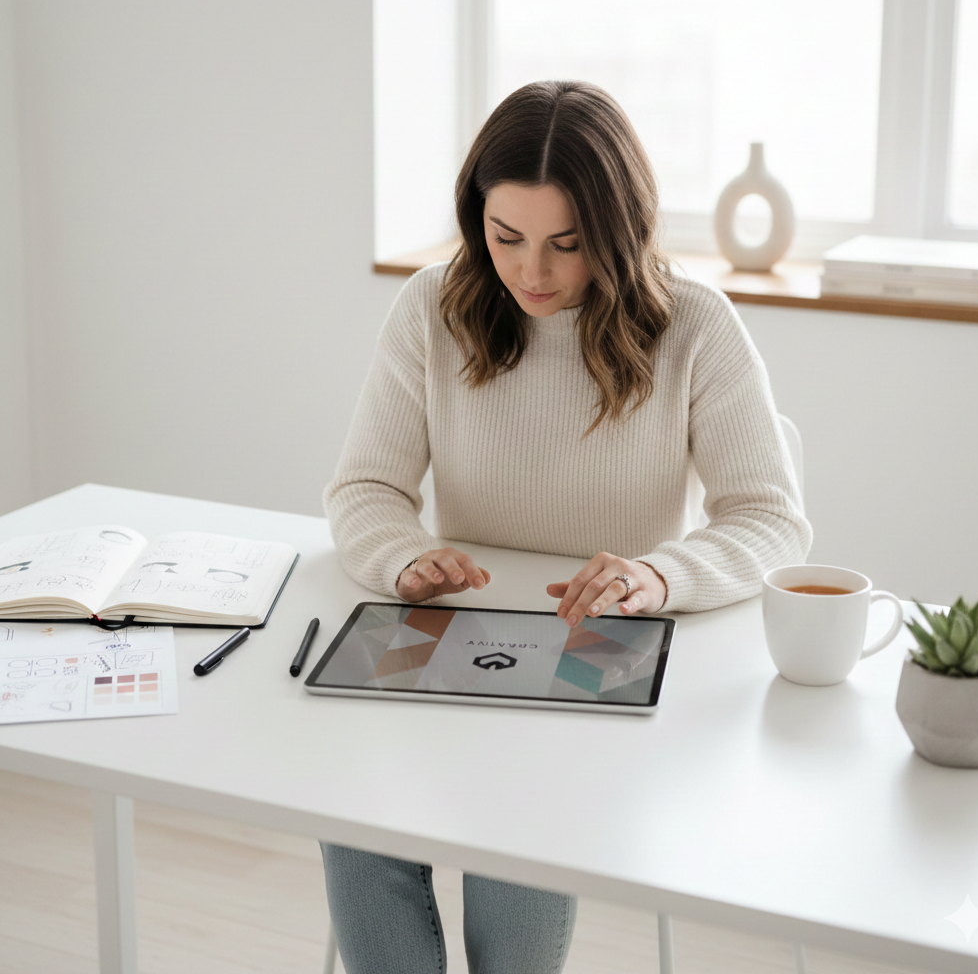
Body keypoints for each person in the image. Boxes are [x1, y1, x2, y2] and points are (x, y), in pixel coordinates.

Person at [321, 80, 811, 974]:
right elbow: (363, 489)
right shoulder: (434, 310)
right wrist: (403, 559)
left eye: (566, 244)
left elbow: (770, 519)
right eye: (505, 238)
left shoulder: (694, 326)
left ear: (617, 230)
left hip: (598, 657)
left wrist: (658, 576)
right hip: (451, 640)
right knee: (352, 810)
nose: (532, 273)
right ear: (478, 221)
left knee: (522, 823)